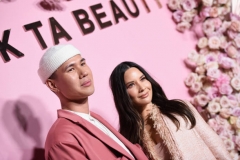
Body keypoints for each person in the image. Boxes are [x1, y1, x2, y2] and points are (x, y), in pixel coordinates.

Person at [38, 44, 148, 160]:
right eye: (71, 69)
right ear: (53, 85)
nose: (83, 72)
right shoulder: (62, 139)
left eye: (82, 63)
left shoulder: (94, 118)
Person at [109, 61, 231, 160]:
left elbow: (216, 146)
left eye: (142, 79)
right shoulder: (131, 139)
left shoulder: (179, 109)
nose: (142, 87)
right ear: (122, 94)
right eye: (131, 85)